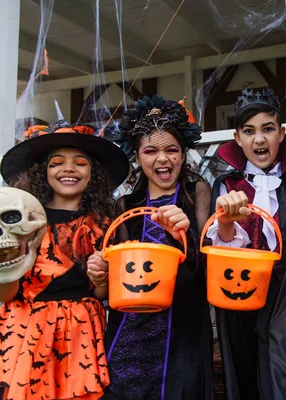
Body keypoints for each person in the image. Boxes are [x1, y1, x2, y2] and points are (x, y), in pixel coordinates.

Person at [0, 122, 130, 399]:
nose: (68, 168)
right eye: (57, 163)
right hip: (23, 332)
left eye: (80, 163)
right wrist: (4, 267)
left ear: (93, 174)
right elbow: (4, 294)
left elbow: (102, 294)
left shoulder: (104, 225)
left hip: (78, 333)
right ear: (43, 172)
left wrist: (100, 278)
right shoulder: (21, 224)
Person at [90, 96, 214, 399]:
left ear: (183, 155)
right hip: (132, 323)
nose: (162, 159)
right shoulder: (125, 206)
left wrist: (181, 234)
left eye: (171, 150)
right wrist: (101, 275)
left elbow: (206, 262)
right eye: (150, 151)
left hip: (181, 321)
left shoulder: (197, 192)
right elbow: (115, 279)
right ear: (138, 157)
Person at [207, 88, 286, 399]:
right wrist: (227, 221)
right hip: (241, 297)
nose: (259, 140)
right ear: (237, 137)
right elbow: (220, 249)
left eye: (267, 129)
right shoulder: (226, 186)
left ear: (281, 134)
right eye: (249, 131)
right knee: (245, 375)